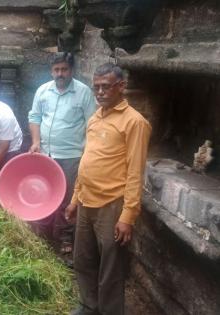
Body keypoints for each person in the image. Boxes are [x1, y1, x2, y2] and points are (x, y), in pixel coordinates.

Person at [65, 63, 151, 315]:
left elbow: (135, 172)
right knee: (83, 259)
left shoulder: (135, 123)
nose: (100, 92)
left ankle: (110, 311)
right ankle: (89, 305)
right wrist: (74, 199)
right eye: (96, 88)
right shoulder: (95, 118)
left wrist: (128, 216)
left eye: (106, 87)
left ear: (121, 87)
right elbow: (86, 161)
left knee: (110, 268)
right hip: (85, 201)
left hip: (111, 205)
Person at [28, 52, 96, 253]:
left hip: (71, 156)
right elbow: (35, 117)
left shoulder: (83, 93)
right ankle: (44, 236)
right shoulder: (43, 90)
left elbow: (91, 124)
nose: (60, 74)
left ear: (71, 70)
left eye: (64, 69)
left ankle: (65, 239)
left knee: (66, 198)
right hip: (46, 154)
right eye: (56, 70)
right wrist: (35, 142)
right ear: (51, 71)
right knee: (45, 194)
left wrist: (87, 152)